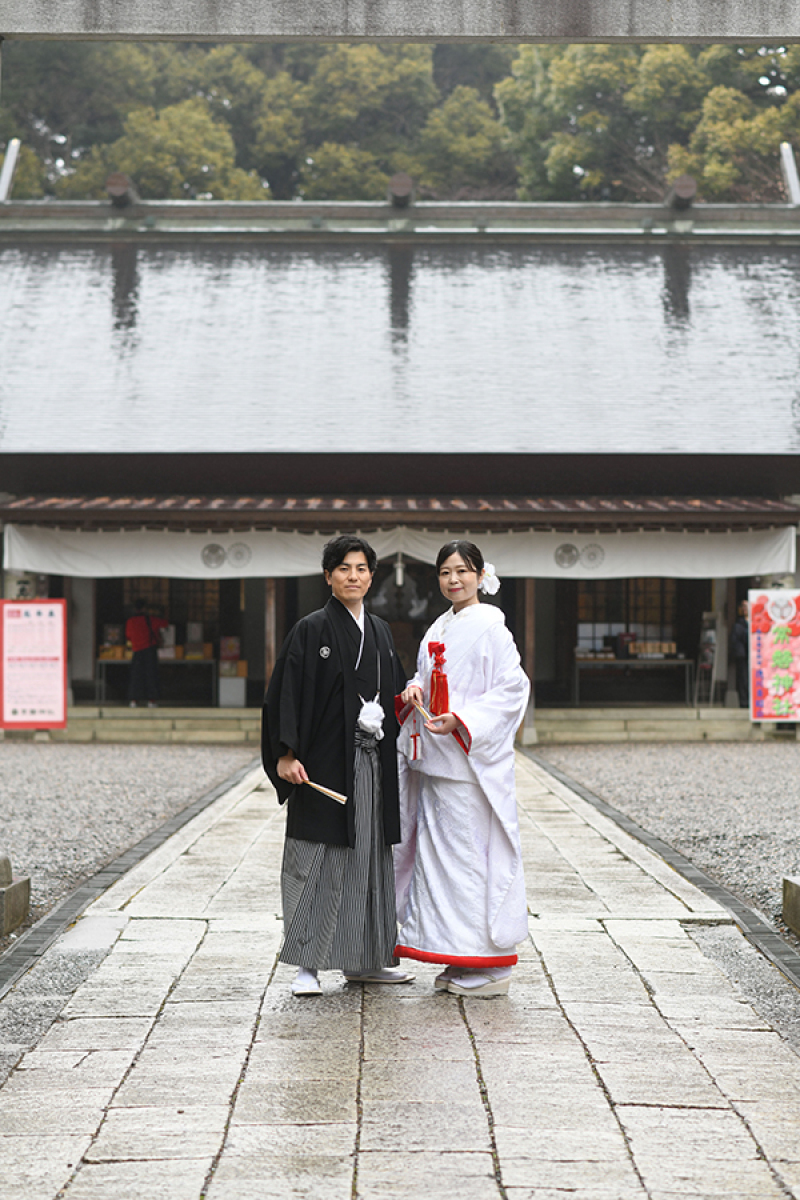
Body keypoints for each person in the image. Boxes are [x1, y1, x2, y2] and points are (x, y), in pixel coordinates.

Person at [262, 534, 414, 997]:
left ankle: (366, 959)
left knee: (368, 856)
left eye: (362, 568)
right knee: (316, 859)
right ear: (328, 576)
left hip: (370, 763)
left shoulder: (382, 631)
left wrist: (408, 692)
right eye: (344, 568)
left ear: (372, 576)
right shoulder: (311, 629)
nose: (354, 576)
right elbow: (284, 694)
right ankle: (306, 963)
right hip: (324, 765)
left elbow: (395, 685)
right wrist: (286, 753)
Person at [394, 540, 529, 997]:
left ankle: (488, 964)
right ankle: (455, 954)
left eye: (462, 571)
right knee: (438, 864)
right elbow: (426, 675)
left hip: (467, 764)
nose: (454, 580)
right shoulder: (439, 625)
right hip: (436, 760)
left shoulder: (493, 628)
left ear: (479, 575)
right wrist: (415, 689)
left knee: (469, 862)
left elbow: (513, 689)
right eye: (446, 573)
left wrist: (465, 720)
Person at [125, 598, 168, 708]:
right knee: (151, 675)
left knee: (136, 676)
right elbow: (165, 623)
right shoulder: (151, 619)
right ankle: (151, 700)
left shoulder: (130, 621)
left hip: (136, 650)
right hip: (149, 649)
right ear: (145, 608)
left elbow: (128, 636)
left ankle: (134, 700)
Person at [729, 600, 750, 709]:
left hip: (755, 655)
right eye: (743, 606)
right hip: (743, 656)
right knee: (743, 680)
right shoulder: (738, 624)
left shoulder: (757, 621)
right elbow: (736, 640)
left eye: (747, 606)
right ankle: (744, 702)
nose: (745, 608)